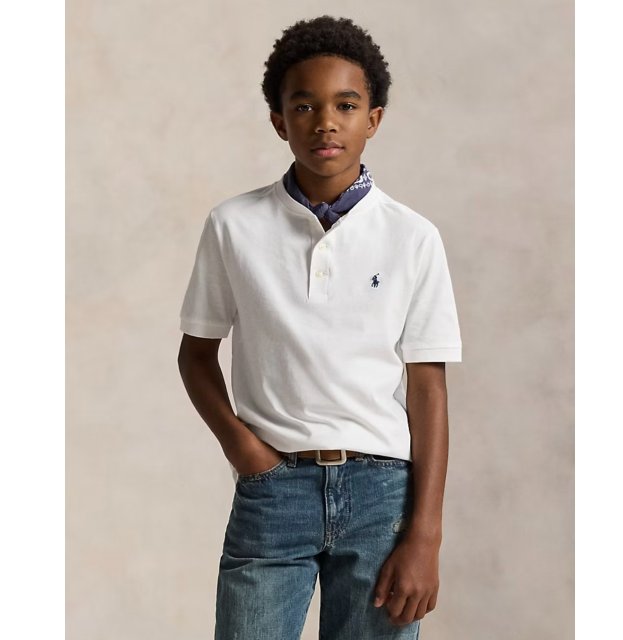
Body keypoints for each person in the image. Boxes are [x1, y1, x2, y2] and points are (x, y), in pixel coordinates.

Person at [177, 15, 462, 640]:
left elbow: (428, 387)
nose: (325, 122)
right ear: (279, 121)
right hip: (272, 490)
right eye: (304, 106)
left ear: (373, 119)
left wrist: (426, 535)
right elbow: (195, 355)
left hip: (383, 495)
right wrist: (245, 451)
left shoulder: (413, 237)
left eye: (346, 105)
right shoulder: (233, 226)